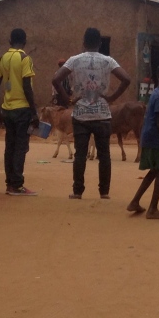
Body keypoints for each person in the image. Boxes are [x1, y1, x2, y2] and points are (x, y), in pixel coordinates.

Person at [52, 27, 131, 199]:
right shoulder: (108, 60)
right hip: (102, 114)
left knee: (80, 154)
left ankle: (77, 191)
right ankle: (104, 192)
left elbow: (56, 79)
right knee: (104, 155)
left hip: (81, 114)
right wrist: (111, 98)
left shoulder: (74, 60)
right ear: (100, 43)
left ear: (83, 43)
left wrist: (68, 100)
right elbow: (126, 79)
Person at [127, 62, 159, 219]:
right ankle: (152, 209)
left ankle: (135, 202)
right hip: (154, 138)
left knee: (155, 170)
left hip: (152, 137)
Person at [0, 28, 39, 196]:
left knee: (9, 147)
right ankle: (17, 185)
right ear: (25, 42)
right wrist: (34, 113)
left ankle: (9, 183)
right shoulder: (25, 58)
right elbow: (27, 86)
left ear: (9, 41)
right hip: (22, 110)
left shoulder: (1, 58)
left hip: (7, 110)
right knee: (20, 147)